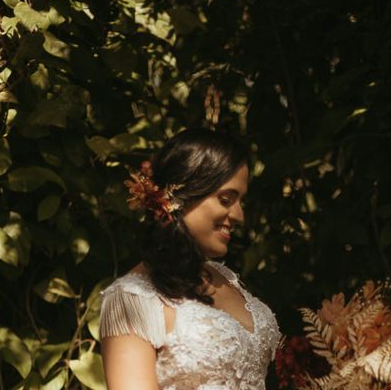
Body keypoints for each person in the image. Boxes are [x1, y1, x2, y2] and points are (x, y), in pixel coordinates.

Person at [99, 128, 281, 389]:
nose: (239, 216)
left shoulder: (225, 277)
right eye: (226, 199)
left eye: (241, 201)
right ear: (181, 197)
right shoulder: (131, 299)